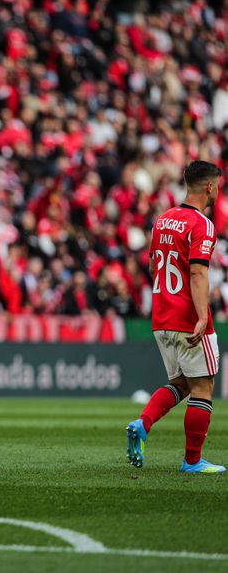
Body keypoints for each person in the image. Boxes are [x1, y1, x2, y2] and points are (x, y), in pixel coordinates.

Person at [126, 160, 225, 474]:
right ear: (209, 186)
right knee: (204, 386)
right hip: (187, 316)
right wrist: (200, 316)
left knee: (181, 383)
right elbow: (197, 273)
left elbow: (155, 267)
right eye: (218, 186)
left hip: (162, 316)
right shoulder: (201, 224)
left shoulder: (163, 220)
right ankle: (193, 461)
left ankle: (142, 423)